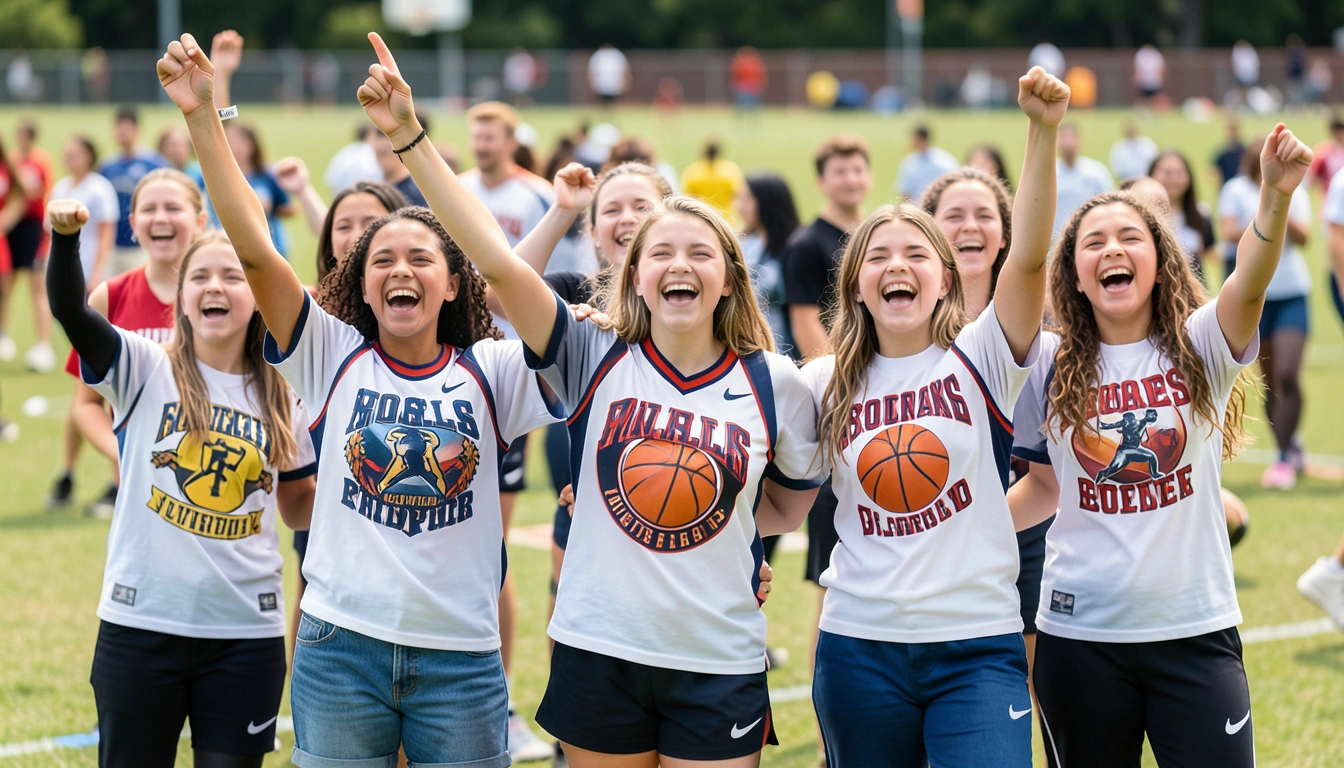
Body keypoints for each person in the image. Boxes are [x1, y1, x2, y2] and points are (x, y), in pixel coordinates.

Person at [159, 33, 562, 768]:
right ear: (360, 284)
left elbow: (510, 276)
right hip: (339, 650)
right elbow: (255, 253)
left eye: (420, 259)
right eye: (382, 260)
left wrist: (410, 140)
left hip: (462, 661)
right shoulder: (333, 355)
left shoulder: (496, 371)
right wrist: (203, 120)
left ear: (451, 284)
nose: (399, 270)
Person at [1011, 123, 1311, 768]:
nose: (1111, 249)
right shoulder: (1047, 363)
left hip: (1195, 629)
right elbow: (1041, 486)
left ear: (1160, 259)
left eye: (1129, 237)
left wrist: (1275, 197)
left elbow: (1251, 283)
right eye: (1093, 243)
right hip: (1079, 635)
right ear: (1077, 277)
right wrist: (961, 532)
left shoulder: (1202, 343)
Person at [805, 68, 1066, 768]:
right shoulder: (821, 384)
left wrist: (1041, 132)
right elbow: (755, 482)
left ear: (944, 278)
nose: (899, 266)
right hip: (860, 646)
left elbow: (1033, 255)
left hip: (978, 643)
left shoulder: (984, 357)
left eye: (917, 254)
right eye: (879, 257)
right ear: (856, 286)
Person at [46, 201, 316, 768]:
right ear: (182, 298)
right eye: (200, 276)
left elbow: (298, 507)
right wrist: (65, 238)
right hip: (140, 627)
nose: (215, 286)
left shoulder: (287, 392)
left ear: (258, 292)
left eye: (234, 275)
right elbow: (71, 309)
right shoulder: (142, 367)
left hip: (246, 635)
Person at [457, 98, 558, 761]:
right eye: (475, 133)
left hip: (514, 379)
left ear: (512, 139)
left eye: (491, 133)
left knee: (488, 549)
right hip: (454, 366)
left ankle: (500, 696)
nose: (482, 143)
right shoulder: (458, 193)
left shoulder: (542, 197)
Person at [52, 168, 207, 520]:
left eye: (173, 208)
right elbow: (85, 403)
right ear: (134, 224)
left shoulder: (222, 296)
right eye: (149, 210)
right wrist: (122, 453)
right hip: (140, 490)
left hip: (213, 480)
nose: (161, 218)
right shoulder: (111, 295)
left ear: (199, 220)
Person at [1218, 138, 1312, 490]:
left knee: (1289, 374)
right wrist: (1261, 219)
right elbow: (1227, 231)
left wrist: (1279, 207)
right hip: (1256, 298)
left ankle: (1285, 455)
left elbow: (1304, 237)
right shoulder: (1236, 189)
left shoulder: (1293, 188)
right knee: (1271, 381)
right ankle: (1287, 448)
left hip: (1292, 293)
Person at [2, 122, 54, 372]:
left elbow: (39, 193)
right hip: (10, 231)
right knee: (5, 285)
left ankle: (44, 345)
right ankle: (3, 335)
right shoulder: (11, 160)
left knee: (37, 288)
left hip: (33, 228)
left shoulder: (40, 161)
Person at [735, 172, 800, 355]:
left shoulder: (796, 248)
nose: (739, 207)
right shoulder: (745, 245)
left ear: (767, 202)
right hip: (748, 351)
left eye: (746, 199)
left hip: (786, 354)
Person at [100, 105, 169, 275]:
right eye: (119, 127)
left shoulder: (154, 164)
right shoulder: (107, 167)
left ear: (137, 130)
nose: (122, 132)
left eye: (127, 127)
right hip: (112, 246)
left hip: (142, 245)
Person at [51, 137, 119, 287]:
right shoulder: (60, 187)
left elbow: (106, 233)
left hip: (90, 266)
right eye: (67, 155)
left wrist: (97, 274)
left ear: (89, 156)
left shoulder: (99, 188)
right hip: (63, 266)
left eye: (75, 155)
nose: (70, 160)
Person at [218, 123, 294, 258]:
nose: (235, 146)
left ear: (252, 144)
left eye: (240, 140)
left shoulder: (269, 174)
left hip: (271, 246)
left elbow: (288, 208)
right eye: (229, 140)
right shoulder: (218, 176)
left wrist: (263, 208)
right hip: (231, 249)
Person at [1148, 151, 1216, 279]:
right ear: (1152, 175)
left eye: (1179, 173)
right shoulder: (1142, 218)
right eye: (1167, 173)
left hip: (1193, 290)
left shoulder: (1201, 214)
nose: (1174, 179)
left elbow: (1210, 253)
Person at [0, 134, 29, 364]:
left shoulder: (6, 165)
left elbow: (21, 193)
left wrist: (8, 217)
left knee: (4, 285)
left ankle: (3, 333)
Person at [1055, 123, 1113, 233]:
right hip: (1055, 238)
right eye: (1064, 137)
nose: (1068, 143)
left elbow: (1109, 205)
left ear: (1079, 140)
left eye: (1071, 137)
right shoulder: (1050, 173)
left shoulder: (1096, 171)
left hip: (1088, 234)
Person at [680, 140, 744, 220]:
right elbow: (738, 195)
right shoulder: (730, 171)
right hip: (726, 219)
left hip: (702, 218)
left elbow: (688, 198)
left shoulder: (693, 171)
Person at [895, 125, 958, 201]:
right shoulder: (946, 160)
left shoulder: (943, 162)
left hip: (932, 208)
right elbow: (905, 193)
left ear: (919, 138)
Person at [323, 123, 382, 194]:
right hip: (370, 198)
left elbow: (330, 180)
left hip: (341, 199)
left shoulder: (344, 152)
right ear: (369, 135)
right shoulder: (372, 152)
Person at [731, 46, 768, 113]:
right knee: (743, 103)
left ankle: (749, 114)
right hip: (745, 85)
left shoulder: (753, 63)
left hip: (751, 85)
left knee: (751, 103)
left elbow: (760, 75)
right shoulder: (743, 63)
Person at [1213, 117, 1246, 188]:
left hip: (1241, 186)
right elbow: (1214, 171)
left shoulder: (1244, 151)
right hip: (1226, 185)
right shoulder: (1222, 152)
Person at [1132, 44, 1167, 109]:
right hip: (1146, 81)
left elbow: (1160, 68)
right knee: (1144, 98)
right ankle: (1143, 110)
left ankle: (1155, 110)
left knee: (1154, 97)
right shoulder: (1142, 55)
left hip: (1153, 80)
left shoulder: (1143, 55)